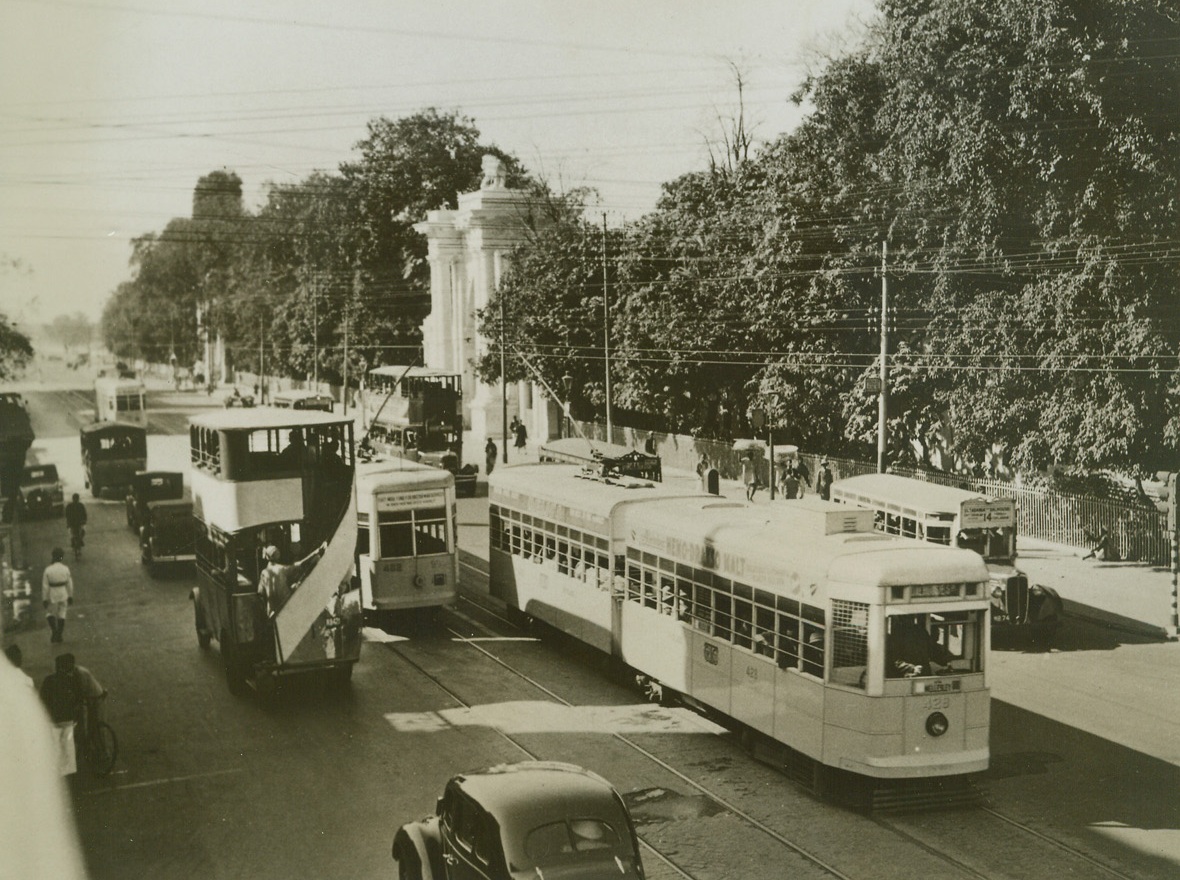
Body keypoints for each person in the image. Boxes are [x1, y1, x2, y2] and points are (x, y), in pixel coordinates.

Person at [0, 659, 89, 879]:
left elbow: (43, 698)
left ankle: (62, 770)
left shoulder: (48, 681)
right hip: (67, 719)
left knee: (58, 746)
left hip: (54, 720)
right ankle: (69, 773)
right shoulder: (69, 681)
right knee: (68, 747)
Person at [886, 615, 951, 678]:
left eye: (911, 616)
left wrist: (946, 662)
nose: (910, 619)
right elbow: (894, 659)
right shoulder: (896, 634)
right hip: (905, 678)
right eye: (907, 616)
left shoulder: (920, 631)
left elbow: (932, 651)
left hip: (924, 674)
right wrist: (912, 668)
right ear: (901, 618)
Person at [41, 548, 73, 644]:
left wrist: (45, 598)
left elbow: (45, 586)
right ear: (62, 557)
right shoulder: (65, 568)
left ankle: (54, 631)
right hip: (63, 592)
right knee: (62, 613)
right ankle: (59, 634)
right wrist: (70, 595)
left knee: (50, 613)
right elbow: (69, 583)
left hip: (52, 593)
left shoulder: (48, 570)